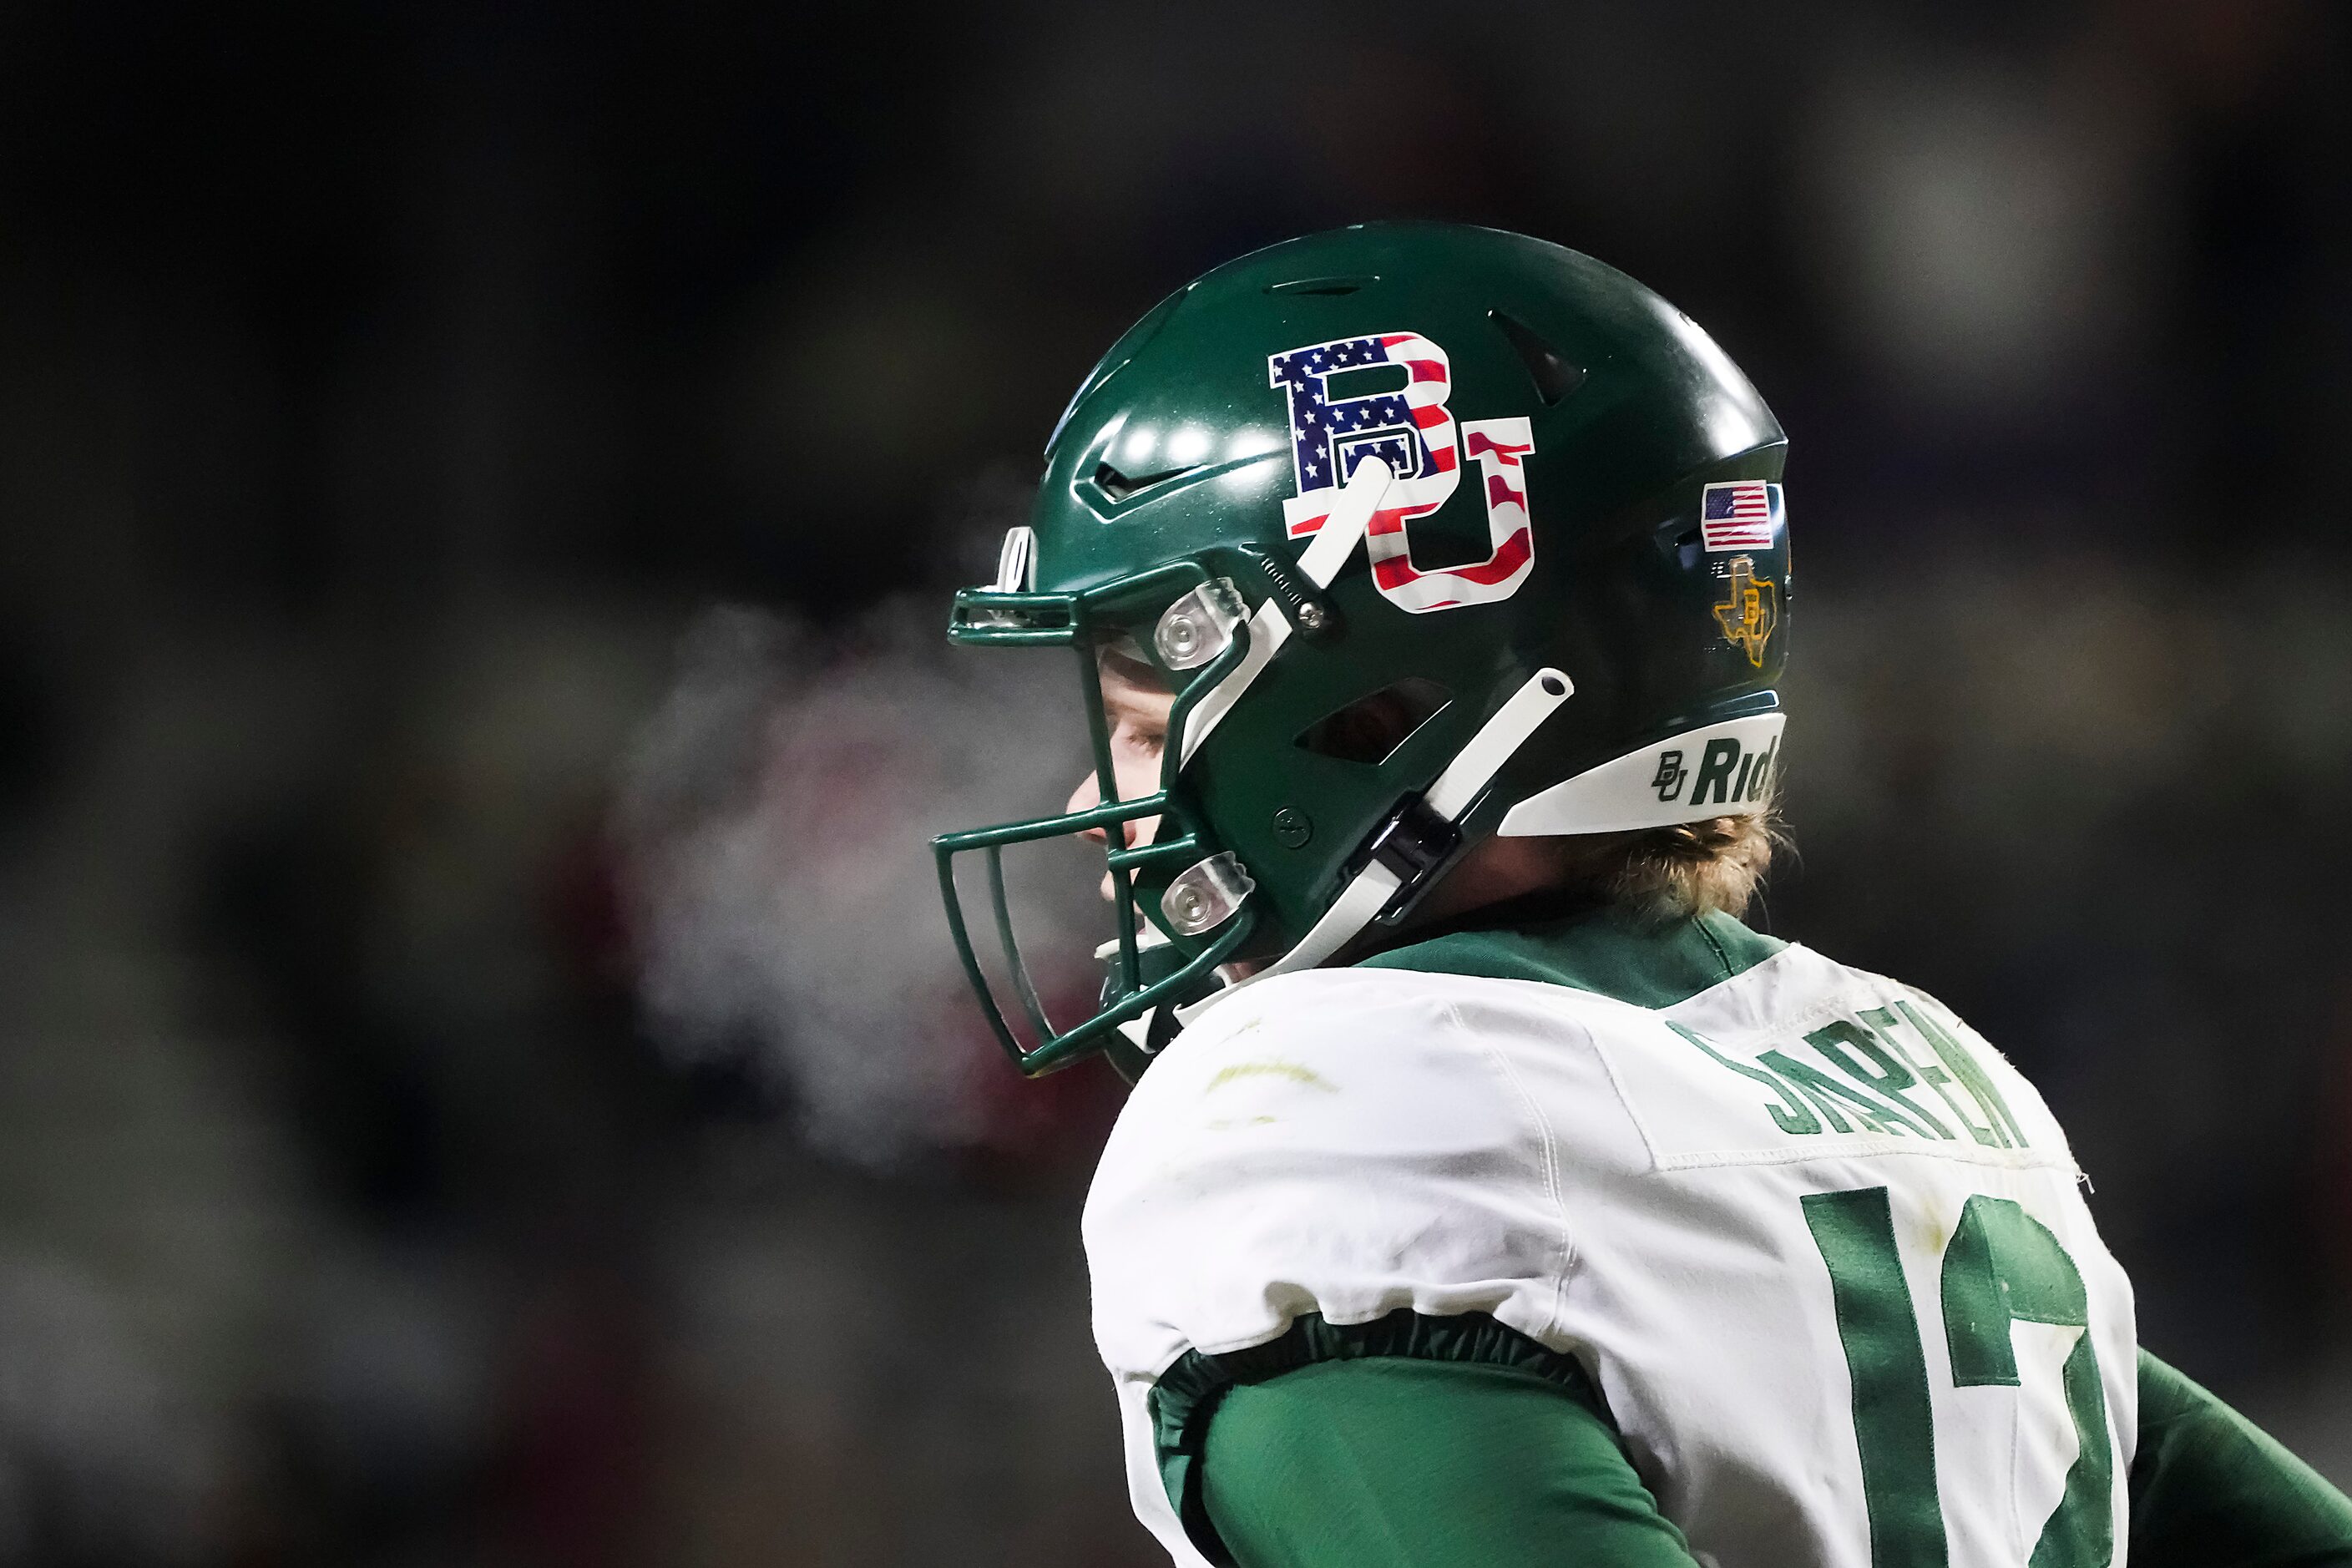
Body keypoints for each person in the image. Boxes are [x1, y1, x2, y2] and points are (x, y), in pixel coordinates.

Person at [930, 223, 2352, 1567]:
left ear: (1379, 711)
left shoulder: (1333, 1110)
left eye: (1138, 717)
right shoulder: (1912, 1068)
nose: (1087, 805)